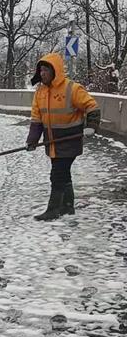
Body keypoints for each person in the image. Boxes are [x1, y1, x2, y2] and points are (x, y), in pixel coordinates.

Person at [26, 52, 100, 221]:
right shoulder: (40, 92)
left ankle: (53, 209)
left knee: (57, 174)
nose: (42, 73)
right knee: (64, 174)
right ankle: (68, 207)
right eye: (41, 70)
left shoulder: (71, 88)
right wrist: (32, 140)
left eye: (46, 70)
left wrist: (91, 127)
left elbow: (92, 107)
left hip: (69, 140)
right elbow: (36, 119)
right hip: (52, 142)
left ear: (55, 71)